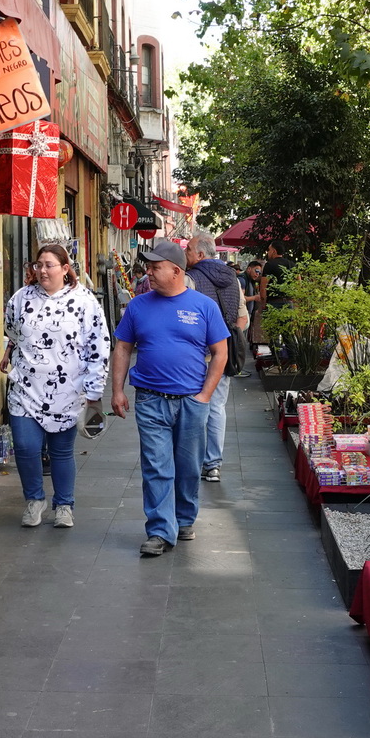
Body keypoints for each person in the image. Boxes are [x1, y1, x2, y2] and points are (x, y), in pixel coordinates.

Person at [111, 238, 229, 557]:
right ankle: (161, 530)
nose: (148, 272)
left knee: (188, 466)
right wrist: (118, 390)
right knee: (156, 466)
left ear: (176, 271)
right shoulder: (138, 306)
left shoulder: (203, 306)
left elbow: (220, 352)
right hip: (150, 400)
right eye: (148, 267)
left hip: (191, 401)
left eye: (155, 267)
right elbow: (123, 348)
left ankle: (184, 518)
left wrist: (205, 395)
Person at [0, 244, 109, 529]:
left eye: (49, 265)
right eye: (39, 265)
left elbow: (98, 346)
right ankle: (34, 500)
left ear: (65, 268)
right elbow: (12, 330)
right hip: (25, 388)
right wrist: (9, 351)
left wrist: (94, 391)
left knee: (61, 452)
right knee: (25, 447)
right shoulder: (21, 298)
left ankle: (64, 505)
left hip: (67, 391)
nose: (43, 271)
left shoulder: (84, 301)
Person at [185, 235, 244, 481]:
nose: (186, 253)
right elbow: (242, 319)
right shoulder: (233, 279)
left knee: (194, 406)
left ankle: (194, 460)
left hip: (196, 356)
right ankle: (213, 464)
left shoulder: (190, 279)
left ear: (200, 255)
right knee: (217, 407)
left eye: (188, 249)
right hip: (223, 353)